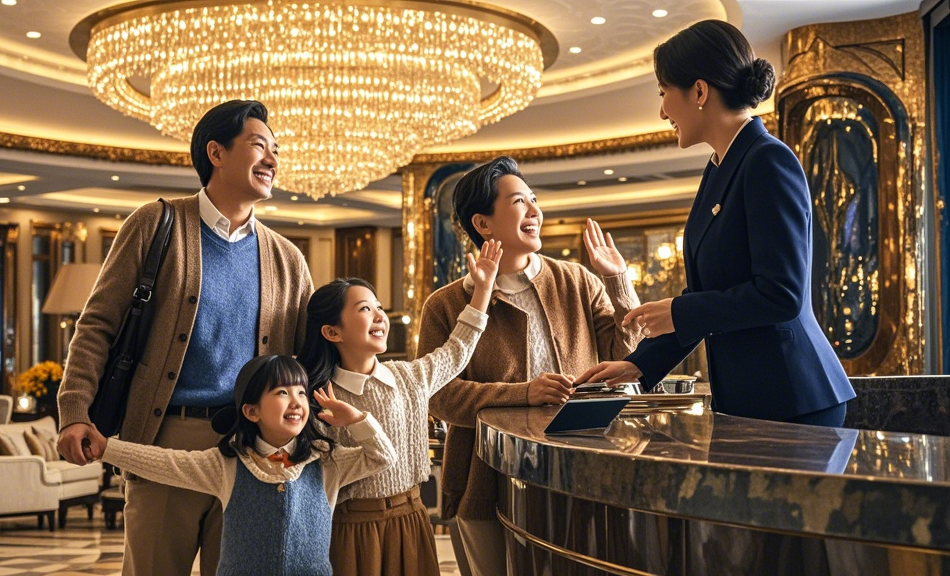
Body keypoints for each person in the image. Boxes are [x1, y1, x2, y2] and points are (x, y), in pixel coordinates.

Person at [56, 100, 313, 576]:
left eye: (276, 149)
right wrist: (74, 411)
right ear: (215, 152)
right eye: (259, 145)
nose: (272, 160)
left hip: (251, 449)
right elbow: (97, 328)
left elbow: (309, 362)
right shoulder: (157, 225)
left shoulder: (287, 258)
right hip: (163, 441)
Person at [577, 20, 855, 427]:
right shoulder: (719, 167)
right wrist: (639, 365)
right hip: (754, 397)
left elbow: (781, 294)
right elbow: (710, 295)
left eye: (663, 93)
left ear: (700, 91)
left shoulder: (766, 159)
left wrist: (679, 309)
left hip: (794, 397)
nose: (661, 111)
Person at [418, 155, 643, 576]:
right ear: (482, 224)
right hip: (483, 477)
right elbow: (439, 396)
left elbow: (626, 355)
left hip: (576, 466)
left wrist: (617, 281)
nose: (536, 212)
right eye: (520, 201)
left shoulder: (576, 280)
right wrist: (523, 393)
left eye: (535, 200)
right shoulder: (446, 305)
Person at [296, 239, 502, 576]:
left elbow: (458, 347)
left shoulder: (410, 376)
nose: (379, 315)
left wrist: (483, 289)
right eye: (364, 309)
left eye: (378, 307)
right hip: (352, 529)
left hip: (413, 518)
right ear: (332, 331)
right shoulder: (316, 397)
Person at [84, 355, 397, 576]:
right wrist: (106, 448)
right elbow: (166, 462)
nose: (296, 401)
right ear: (251, 411)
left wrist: (356, 420)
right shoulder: (227, 464)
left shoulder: (327, 461)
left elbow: (382, 456)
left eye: (301, 392)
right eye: (282, 392)